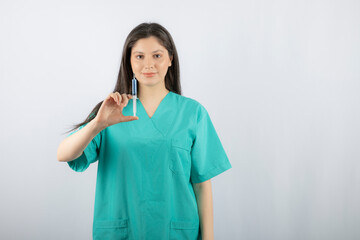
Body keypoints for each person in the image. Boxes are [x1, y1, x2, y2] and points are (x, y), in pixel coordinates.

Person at [57, 22, 232, 240]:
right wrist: (98, 124)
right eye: (139, 56)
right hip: (122, 231)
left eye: (157, 55)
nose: (148, 64)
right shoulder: (111, 111)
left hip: (176, 232)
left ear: (170, 59)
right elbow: (63, 154)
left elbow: (202, 184)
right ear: (129, 62)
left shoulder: (192, 113)